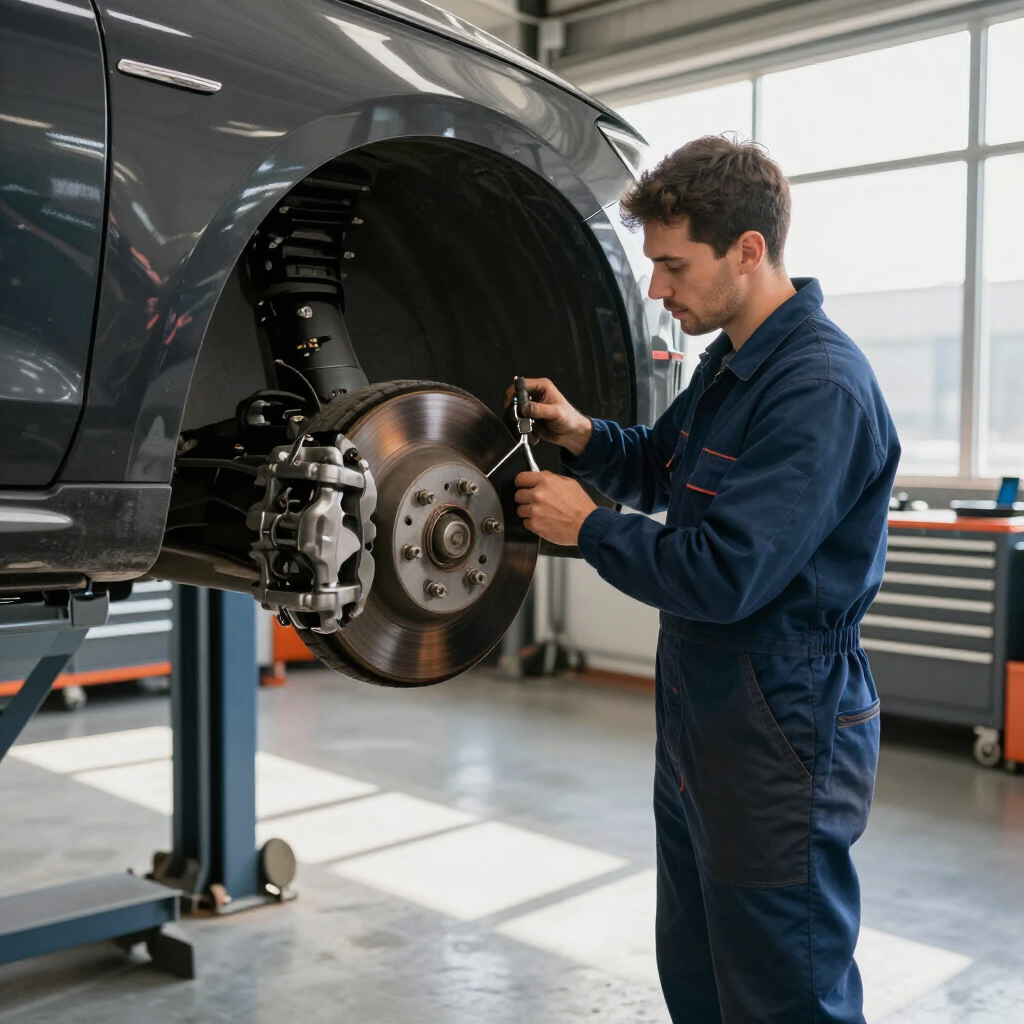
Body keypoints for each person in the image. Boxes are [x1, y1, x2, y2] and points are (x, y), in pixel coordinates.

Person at [511, 135, 900, 1024]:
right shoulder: (734, 359)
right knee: (695, 968)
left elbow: (725, 573)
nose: (657, 289)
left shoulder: (819, 388)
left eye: (673, 266)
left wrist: (589, 526)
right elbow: (662, 463)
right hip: (705, 704)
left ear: (749, 251)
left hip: (783, 716)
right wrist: (582, 433)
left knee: (782, 985)